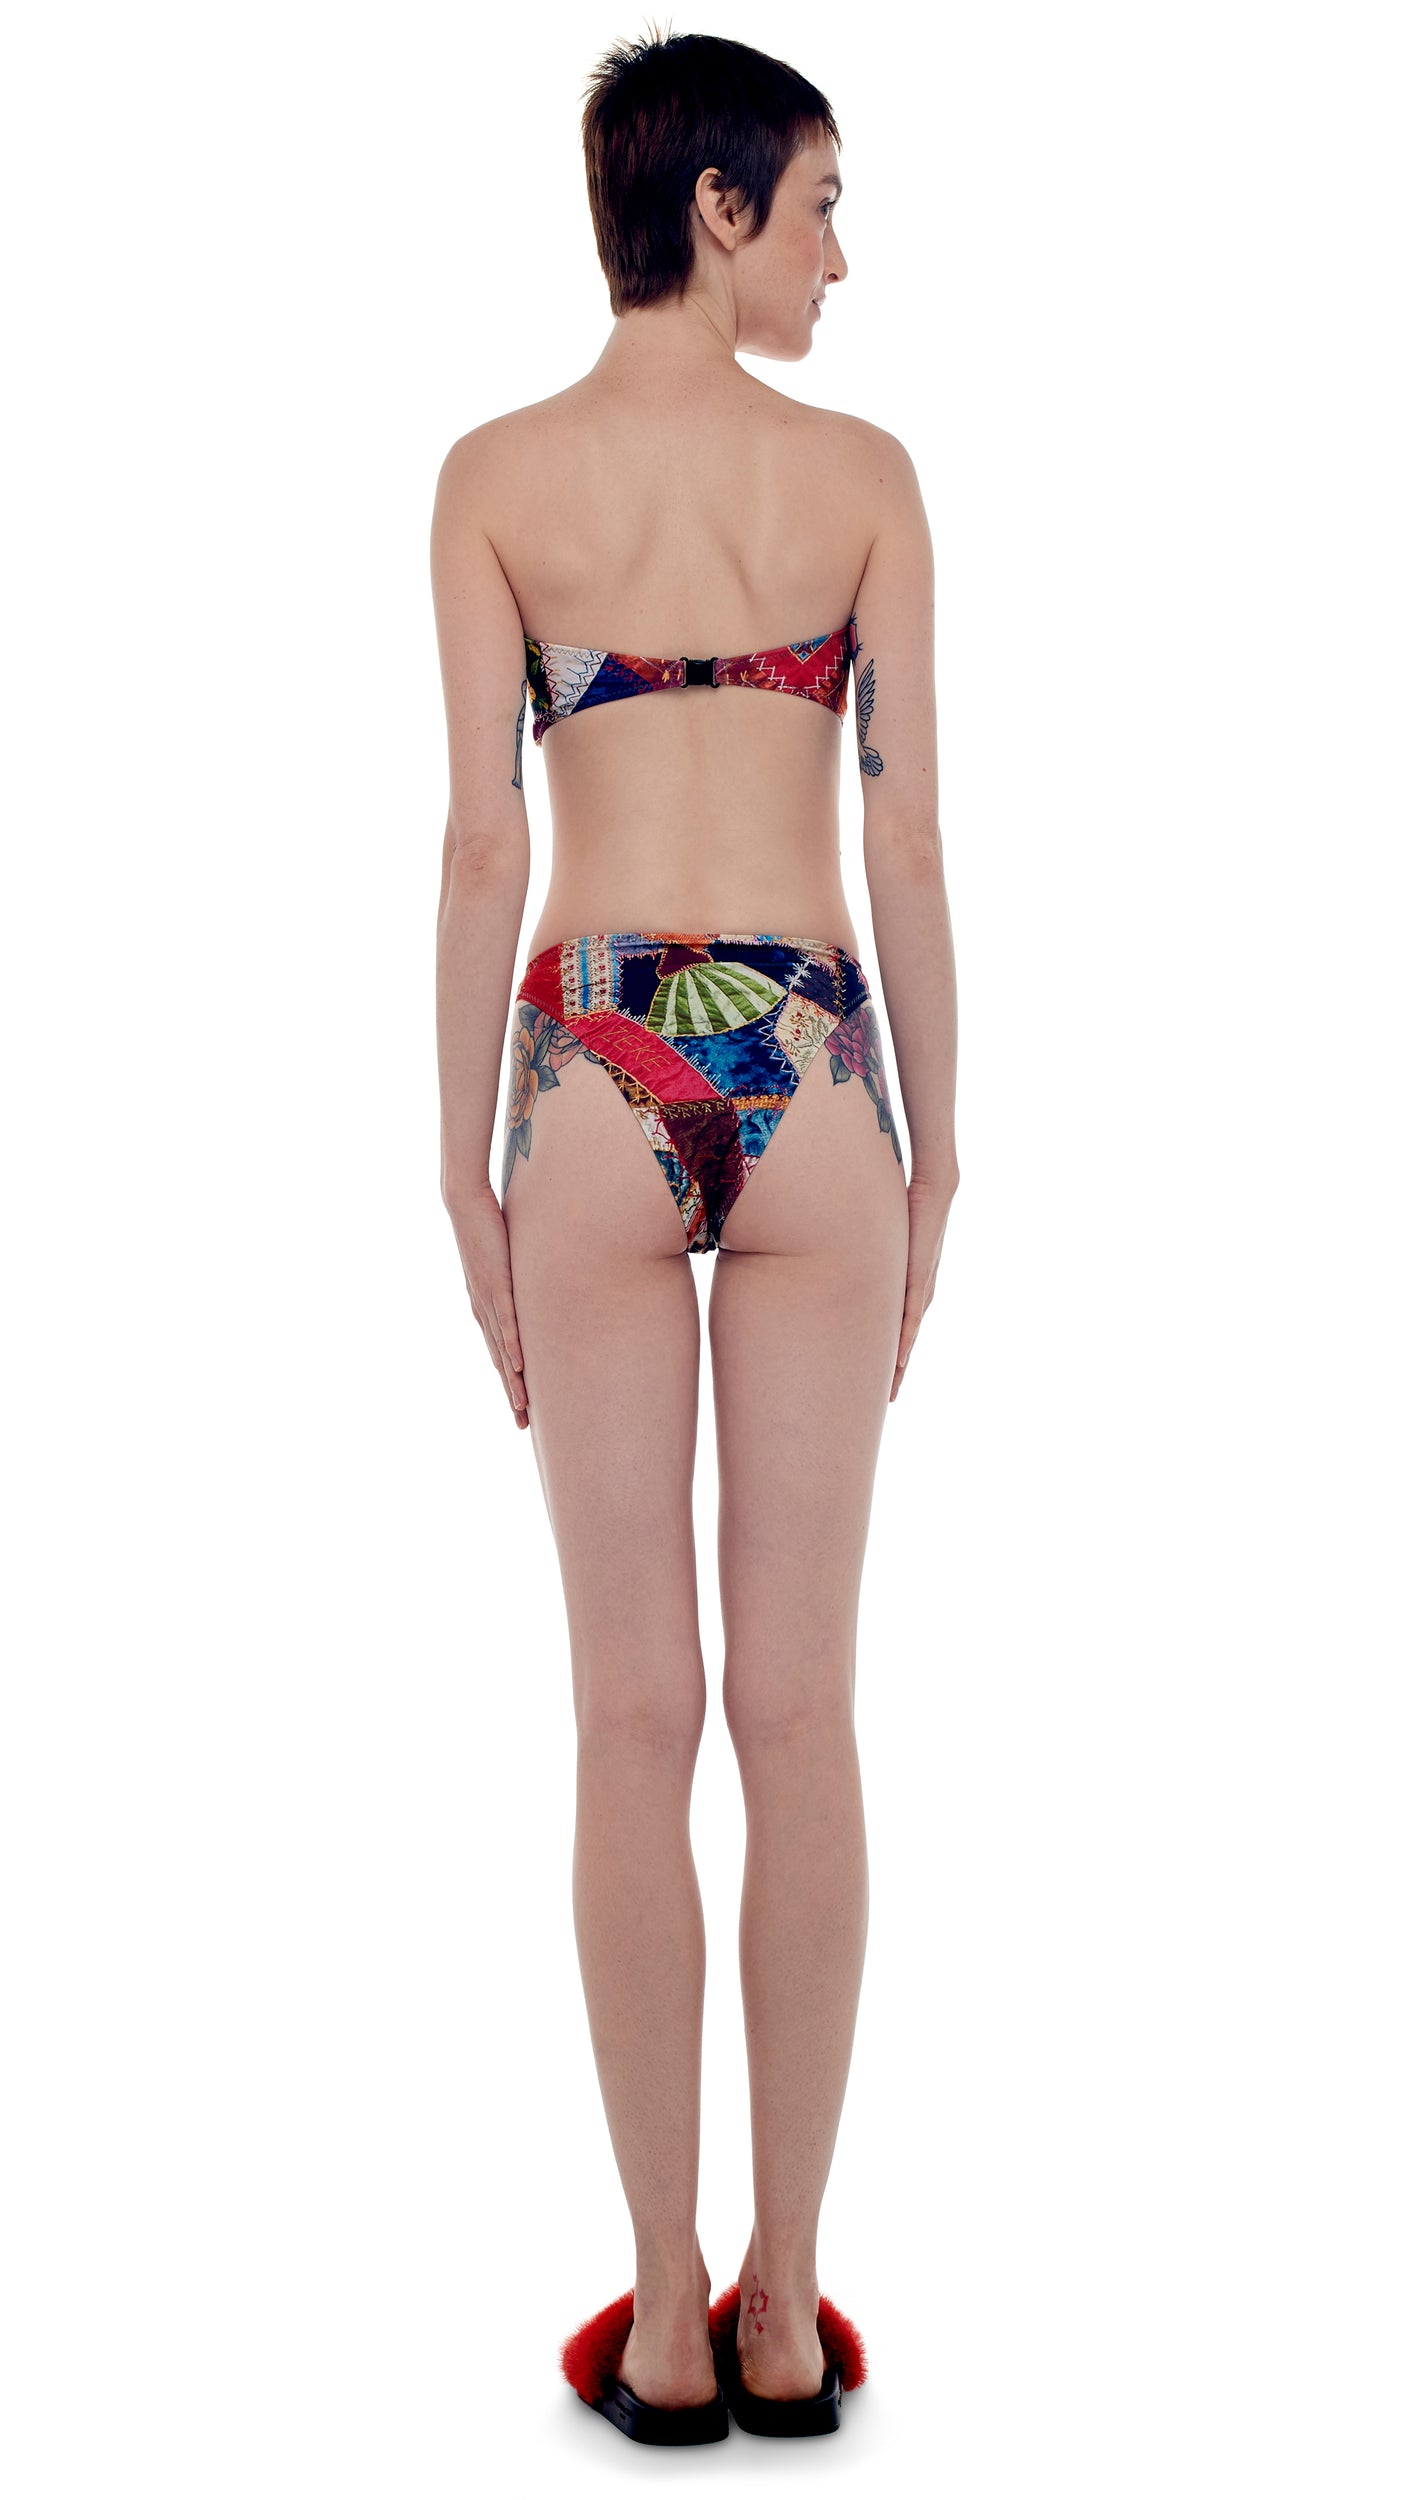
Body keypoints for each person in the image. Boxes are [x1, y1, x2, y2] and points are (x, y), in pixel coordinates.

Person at [431, 29, 959, 2446]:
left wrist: (460, 1162)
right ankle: (784, 2297)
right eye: (821, 206)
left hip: (586, 1072)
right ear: (716, 206)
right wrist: (939, 1144)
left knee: (629, 1714)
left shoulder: (494, 480)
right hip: (814, 1066)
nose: (841, 258)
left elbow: (483, 845)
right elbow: (905, 839)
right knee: (799, 1709)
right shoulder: (858, 483)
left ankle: (658, 2310)